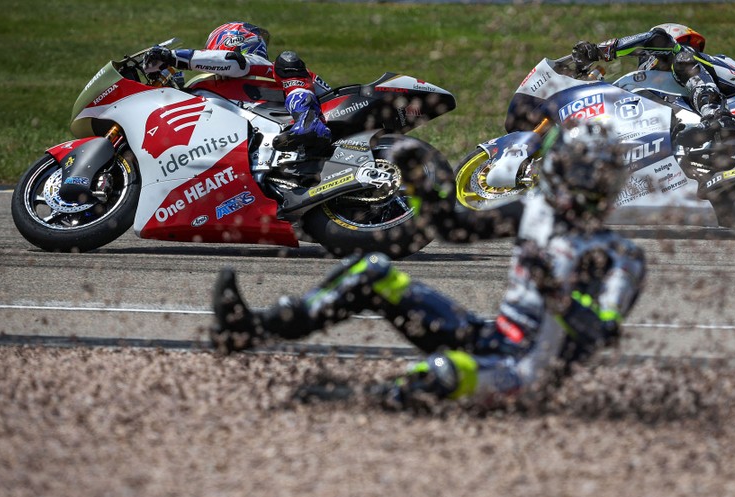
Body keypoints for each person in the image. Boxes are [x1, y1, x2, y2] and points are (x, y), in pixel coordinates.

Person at [209, 122, 646, 409]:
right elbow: (454, 228)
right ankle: (253, 327)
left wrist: (558, 296)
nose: (589, 187)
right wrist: (420, 185)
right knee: (373, 271)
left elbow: (599, 334)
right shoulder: (534, 214)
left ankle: (355, 400)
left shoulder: (619, 256)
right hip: (489, 336)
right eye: (583, 174)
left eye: (598, 178)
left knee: (443, 373)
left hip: (525, 374)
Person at [143, 22, 332, 158]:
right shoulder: (202, 87)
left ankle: (308, 122)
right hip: (243, 144)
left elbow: (232, 62)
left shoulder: (256, 64)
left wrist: (172, 56)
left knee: (287, 59)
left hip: (327, 110)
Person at [572, 23, 735, 149]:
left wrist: (600, 51)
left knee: (682, 60)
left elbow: (656, 40)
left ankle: (716, 115)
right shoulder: (670, 93)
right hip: (714, 124)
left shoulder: (681, 53)